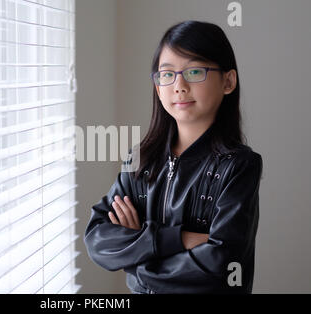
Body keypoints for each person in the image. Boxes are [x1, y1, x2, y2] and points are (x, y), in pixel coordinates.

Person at [83, 20, 263, 294]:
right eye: (167, 74)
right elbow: (98, 238)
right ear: (158, 88)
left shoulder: (240, 166)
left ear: (228, 81)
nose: (179, 85)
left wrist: (136, 258)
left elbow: (223, 265)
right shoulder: (139, 160)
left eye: (193, 71)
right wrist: (179, 239)